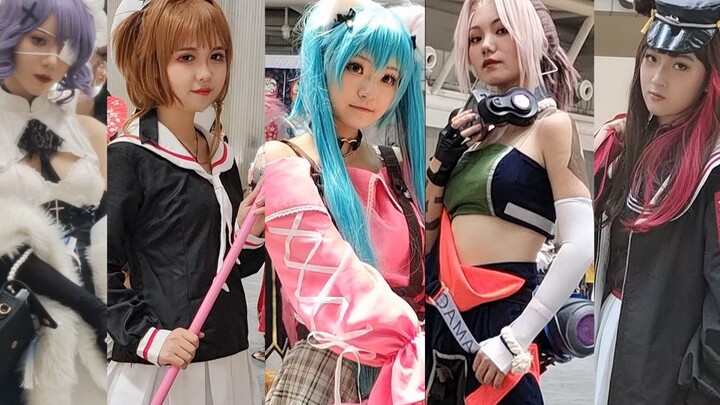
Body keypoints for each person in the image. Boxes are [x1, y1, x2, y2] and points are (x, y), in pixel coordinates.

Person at [424, 0, 594, 403]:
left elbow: (579, 245)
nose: (487, 45)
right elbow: (426, 242)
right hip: (442, 317)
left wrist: (515, 338)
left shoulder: (553, 127)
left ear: (532, 36)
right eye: (475, 37)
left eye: (502, 30)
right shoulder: (468, 140)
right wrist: (439, 166)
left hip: (503, 321)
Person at [262, 0, 425, 403]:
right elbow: (325, 279)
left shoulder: (398, 168)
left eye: (388, 78)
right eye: (356, 67)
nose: (370, 91)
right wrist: (417, 343)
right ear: (324, 61)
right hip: (330, 367)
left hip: (408, 372)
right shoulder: (286, 160)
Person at [106, 0, 265, 404]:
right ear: (152, 62)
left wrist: (250, 231)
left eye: (217, 56)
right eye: (186, 57)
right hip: (158, 367)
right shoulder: (128, 157)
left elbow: (234, 268)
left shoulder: (221, 155)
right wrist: (148, 337)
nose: (205, 72)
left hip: (229, 353)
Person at [594, 0, 720, 403]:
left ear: (709, 77)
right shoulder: (627, 148)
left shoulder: (712, 167)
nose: (658, 78)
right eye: (651, 58)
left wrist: (704, 389)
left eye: (680, 65)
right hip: (617, 336)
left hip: (671, 363)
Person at [0, 0, 108, 404]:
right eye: (38, 40)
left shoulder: (85, 130)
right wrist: (88, 306)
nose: (51, 59)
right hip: (18, 322)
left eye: (65, 46)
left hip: (96, 329)